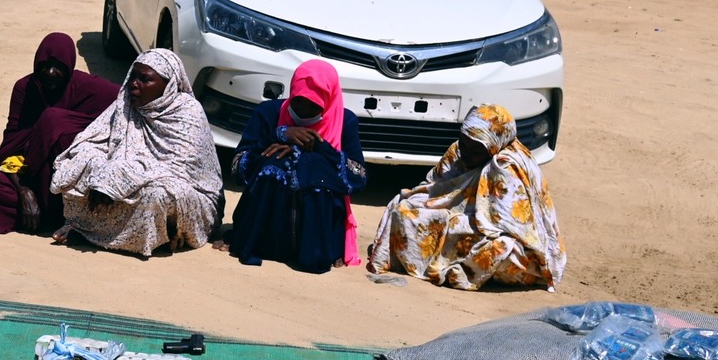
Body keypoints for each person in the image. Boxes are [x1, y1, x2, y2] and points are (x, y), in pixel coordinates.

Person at [367, 105, 566, 290]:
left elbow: (509, 226)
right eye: (465, 145)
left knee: (503, 251)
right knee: (402, 209)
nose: (467, 153)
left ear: (494, 146)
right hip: (461, 218)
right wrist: (435, 212)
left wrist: (453, 221)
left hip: (501, 235)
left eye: (475, 150)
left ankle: (461, 270)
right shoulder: (458, 151)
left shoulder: (506, 166)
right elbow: (432, 186)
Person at [50, 49, 223, 257]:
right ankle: (93, 230)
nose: (134, 84)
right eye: (133, 76)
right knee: (81, 169)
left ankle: (107, 235)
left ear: (168, 85)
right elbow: (91, 141)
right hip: (125, 176)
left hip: (185, 190)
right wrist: (101, 170)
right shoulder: (125, 105)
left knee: (157, 195)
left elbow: (177, 169)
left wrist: (118, 178)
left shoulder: (188, 113)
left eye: (145, 79)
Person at [0, 32, 117, 235]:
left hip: (69, 183)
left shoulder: (87, 87)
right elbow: (11, 145)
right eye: (45, 66)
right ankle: (39, 213)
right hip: (28, 175)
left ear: (69, 67)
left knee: (53, 120)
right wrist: (23, 191)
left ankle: (61, 216)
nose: (51, 73)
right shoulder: (25, 89)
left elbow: (128, 99)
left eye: (58, 68)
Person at [227, 59, 367, 273]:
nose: (303, 112)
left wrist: (319, 148)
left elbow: (357, 178)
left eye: (314, 107)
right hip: (266, 223)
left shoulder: (345, 122)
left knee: (315, 169)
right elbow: (238, 167)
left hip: (319, 233)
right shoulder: (268, 113)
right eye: (298, 103)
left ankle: (319, 248)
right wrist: (280, 134)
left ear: (328, 102)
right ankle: (255, 238)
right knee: (275, 161)